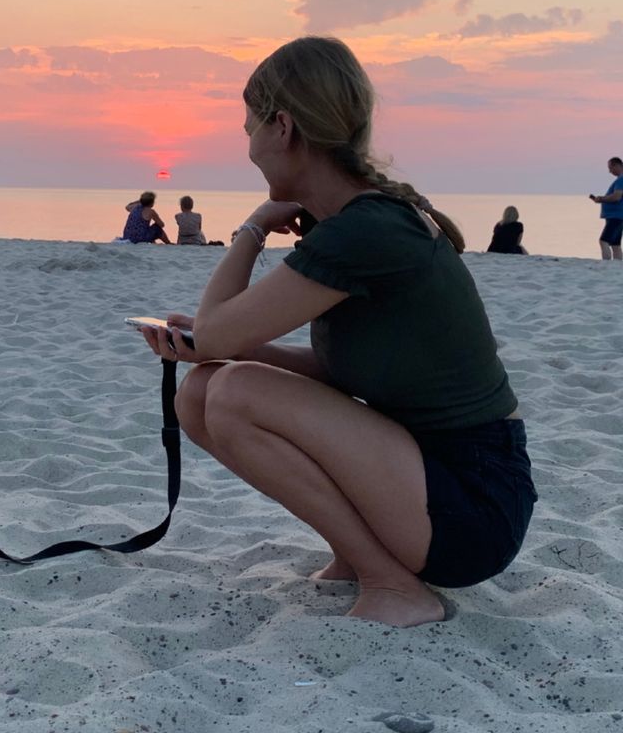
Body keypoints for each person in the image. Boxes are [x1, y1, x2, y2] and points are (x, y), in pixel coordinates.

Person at [137, 37, 533, 628]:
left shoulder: (366, 231)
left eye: (249, 130)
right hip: (422, 471)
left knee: (234, 389)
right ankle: (356, 557)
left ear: (283, 127)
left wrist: (252, 229)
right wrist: (232, 343)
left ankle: (393, 584)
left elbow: (217, 334)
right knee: (199, 392)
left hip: (470, 500)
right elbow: (346, 368)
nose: (248, 149)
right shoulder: (355, 223)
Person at [589, 156, 623, 260]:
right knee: (615, 244)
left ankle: (607, 265)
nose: (610, 171)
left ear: (617, 165)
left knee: (604, 241)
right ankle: (617, 267)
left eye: (610, 168)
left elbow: (617, 197)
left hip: (616, 216)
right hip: (617, 216)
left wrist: (601, 199)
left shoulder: (621, 180)